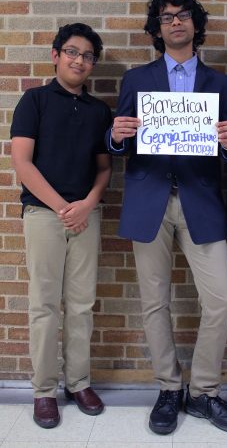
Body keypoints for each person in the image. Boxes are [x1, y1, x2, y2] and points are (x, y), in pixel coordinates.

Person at [106, 0, 227, 435]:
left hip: (201, 200)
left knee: (221, 299)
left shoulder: (222, 84)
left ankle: (203, 392)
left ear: (195, 24)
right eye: (166, 18)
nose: (175, 23)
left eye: (183, 16)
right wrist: (116, 135)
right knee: (154, 303)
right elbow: (119, 144)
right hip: (150, 199)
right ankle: (169, 389)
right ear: (157, 28)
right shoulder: (135, 79)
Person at [10, 23, 112, 429]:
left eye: (87, 56)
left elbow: (104, 169)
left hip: (87, 216)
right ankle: (43, 391)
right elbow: (22, 162)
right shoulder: (34, 101)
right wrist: (61, 207)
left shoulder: (99, 111)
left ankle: (79, 382)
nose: (79, 61)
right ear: (56, 55)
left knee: (82, 305)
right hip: (43, 216)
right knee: (45, 307)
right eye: (72, 52)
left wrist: (87, 203)